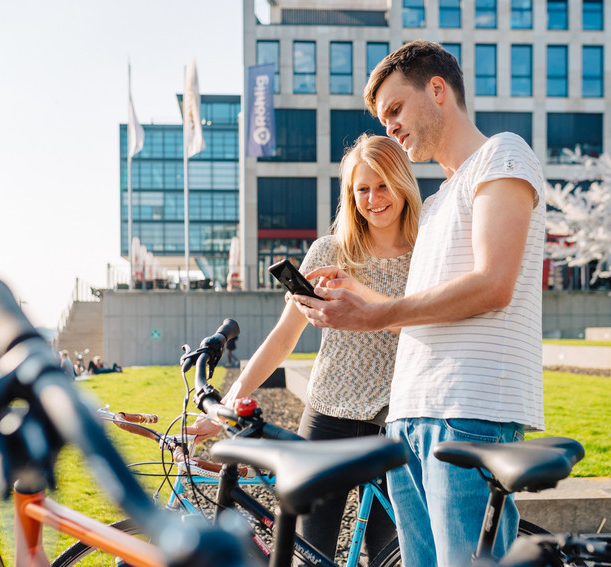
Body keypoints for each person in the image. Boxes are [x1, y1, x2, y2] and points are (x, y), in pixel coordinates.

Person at [292, 41, 546, 566]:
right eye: (384, 118)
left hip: (467, 413)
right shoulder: (434, 205)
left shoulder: (502, 155)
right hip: (409, 418)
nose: (390, 127)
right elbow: (421, 306)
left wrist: (376, 313)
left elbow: (493, 283)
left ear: (437, 90)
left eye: (395, 110)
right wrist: (355, 293)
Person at [185, 133, 423, 561]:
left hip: (393, 421)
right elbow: (283, 339)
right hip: (327, 416)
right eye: (362, 189)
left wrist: (361, 293)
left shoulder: (426, 255)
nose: (374, 198)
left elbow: (422, 330)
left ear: (403, 183)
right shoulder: (330, 250)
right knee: (309, 551)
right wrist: (227, 406)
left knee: (390, 553)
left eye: (383, 184)